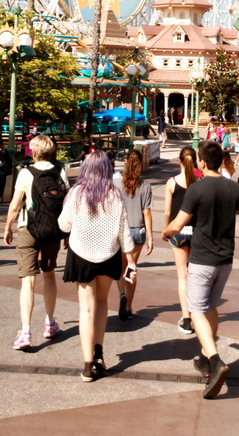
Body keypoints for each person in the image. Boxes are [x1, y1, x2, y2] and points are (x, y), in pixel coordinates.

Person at [163, 139, 239, 400]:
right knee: (211, 306)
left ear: (202, 162)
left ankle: (216, 361)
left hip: (203, 259)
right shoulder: (236, 189)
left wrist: (166, 230)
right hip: (225, 261)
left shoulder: (197, 189)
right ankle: (205, 357)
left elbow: (179, 223)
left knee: (195, 310)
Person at [58, 150, 137, 382]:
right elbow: (125, 232)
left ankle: (87, 363)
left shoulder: (76, 194)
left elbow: (63, 225)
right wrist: (131, 261)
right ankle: (99, 351)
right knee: (102, 303)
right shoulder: (115, 195)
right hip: (108, 254)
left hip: (81, 254)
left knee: (86, 308)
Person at [3, 133, 69, 351]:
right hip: (52, 229)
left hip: (28, 228)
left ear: (34, 151)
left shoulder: (25, 173)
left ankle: (25, 331)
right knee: (49, 275)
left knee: (28, 280)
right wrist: (68, 233)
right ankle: (50, 322)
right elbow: (66, 203)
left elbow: (14, 204)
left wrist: (7, 226)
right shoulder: (60, 171)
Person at [114, 150, 153, 321]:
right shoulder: (145, 186)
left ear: (125, 162)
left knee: (121, 268)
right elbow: (147, 213)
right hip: (138, 230)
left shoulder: (116, 184)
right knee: (132, 267)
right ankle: (129, 306)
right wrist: (150, 237)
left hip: (121, 229)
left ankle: (122, 294)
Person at [164, 145, 197, 335]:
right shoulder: (199, 182)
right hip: (196, 231)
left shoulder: (172, 183)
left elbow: (168, 211)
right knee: (194, 275)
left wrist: (167, 229)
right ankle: (196, 313)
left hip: (178, 231)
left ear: (179, 162)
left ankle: (186, 318)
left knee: (182, 275)